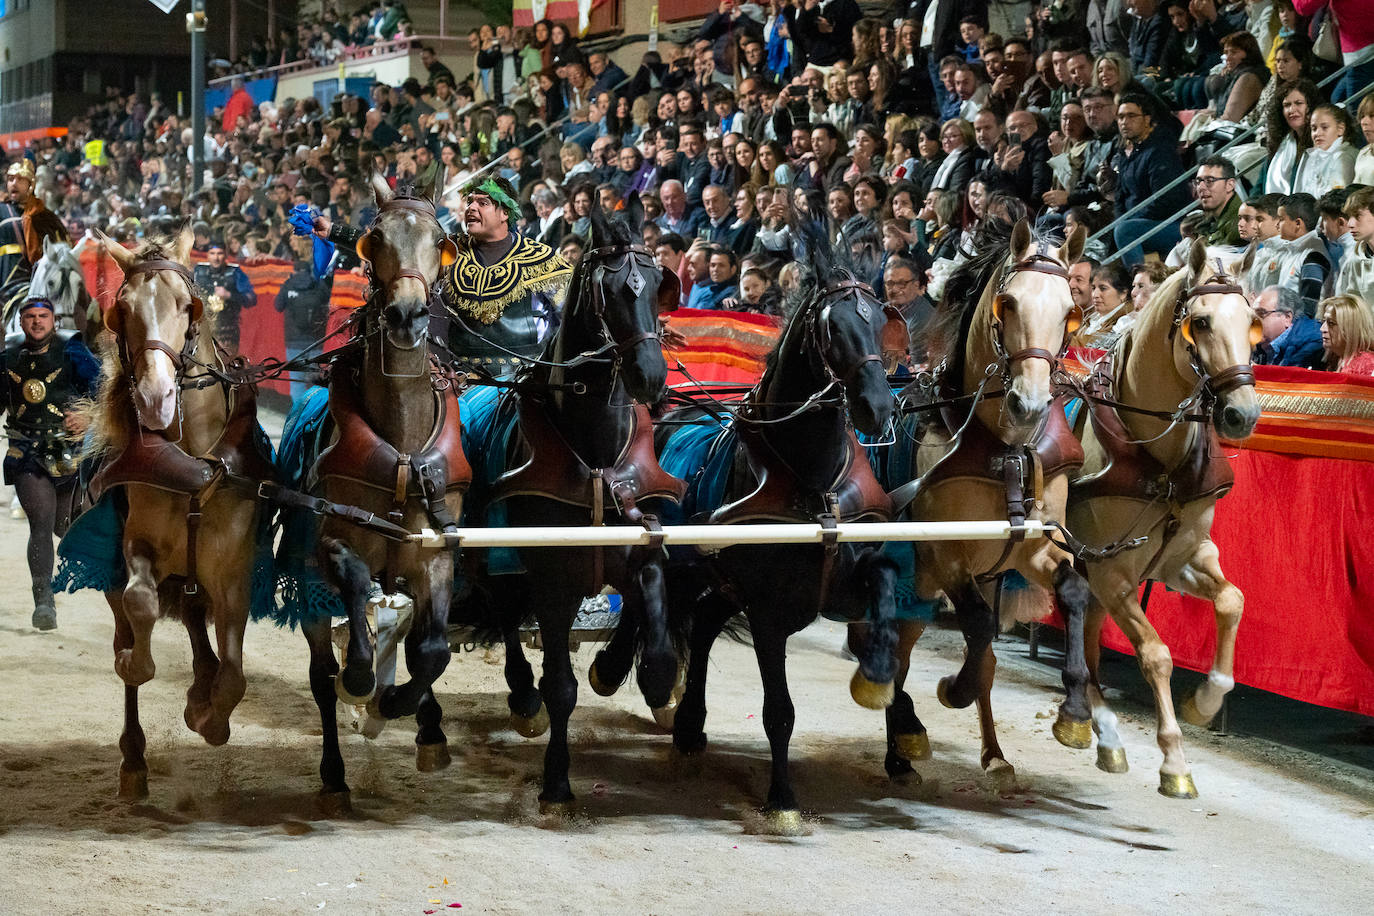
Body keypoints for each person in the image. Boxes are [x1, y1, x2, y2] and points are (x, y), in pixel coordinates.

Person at [1, 297, 100, 629]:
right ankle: (44, 602)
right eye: (29, 317)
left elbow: (104, 392)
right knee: (41, 523)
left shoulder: (73, 352)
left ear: (53, 321)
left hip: (69, 453)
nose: (37, 322)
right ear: (21, 322)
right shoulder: (8, 358)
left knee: (65, 527)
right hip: (26, 452)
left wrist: (89, 416)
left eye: (43, 316)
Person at [1110, 93, 1193, 265]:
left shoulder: (1160, 151)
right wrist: (1120, 219)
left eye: (1131, 116)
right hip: (1139, 223)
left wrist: (1130, 220)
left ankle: (1140, 281)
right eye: (1120, 117)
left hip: (1171, 223)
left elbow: (1165, 200)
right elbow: (1120, 197)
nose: (1124, 121)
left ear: (1147, 119)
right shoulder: (1125, 154)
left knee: (1124, 231)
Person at [1, 160, 69, 318]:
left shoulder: (47, 217)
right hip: (8, 282)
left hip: (44, 283)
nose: (14, 183)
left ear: (30, 184)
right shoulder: (2, 212)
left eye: (19, 179)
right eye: (11, 179)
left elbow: (63, 252)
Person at [275, 233, 334, 404]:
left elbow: (278, 305)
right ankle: (316, 417)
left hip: (294, 342)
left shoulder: (289, 283)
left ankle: (298, 416)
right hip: (315, 341)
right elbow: (327, 301)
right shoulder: (318, 284)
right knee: (318, 384)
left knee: (297, 384)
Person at [192, 238, 257, 354]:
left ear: (225, 255)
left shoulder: (235, 272)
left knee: (226, 365)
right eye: (212, 253)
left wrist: (229, 295)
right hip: (202, 330)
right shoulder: (198, 271)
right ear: (207, 255)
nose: (216, 258)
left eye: (220, 253)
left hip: (227, 331)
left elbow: (251, 299)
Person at [1192, 155, 1243, 246]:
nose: (1201, 187)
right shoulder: (1206, 221)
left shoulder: (1240, 226)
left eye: (1209, 181)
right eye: (1198, 181)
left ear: (1230, 185)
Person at [1320, 293, 1374, 374]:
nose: (1322, 329)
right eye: (1324, 321)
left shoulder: (1367, 365)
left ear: (1351, 328)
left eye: (1331, 323)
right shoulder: (1336, 358)